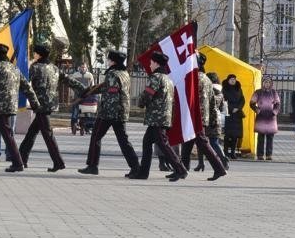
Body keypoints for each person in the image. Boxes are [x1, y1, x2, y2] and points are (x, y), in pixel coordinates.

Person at [18, 43, 84, 172]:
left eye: (35, 53)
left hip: (40, 105)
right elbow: (68, 80)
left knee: (48, 135)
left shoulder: (35, 67)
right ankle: (21, 159)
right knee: (31, 133)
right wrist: (83, 88)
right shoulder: (54, 68)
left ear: (39, 54)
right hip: (50, 104)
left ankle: (58, 162)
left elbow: (25, 83)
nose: (34, 55)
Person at [0, 42, 39, 173]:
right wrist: (35, 103)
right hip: (10, 106)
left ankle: (18, 163)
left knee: (7, 136)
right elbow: (27, 87)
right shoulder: (14, 68)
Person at [78, 49, 140, 176]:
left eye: (109, 59)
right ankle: (135, 167)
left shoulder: (112, 74)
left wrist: (106, 114)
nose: (107, 61)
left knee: (96, 136)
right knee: (123, 141)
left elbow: (112, 94)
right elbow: (104, 87)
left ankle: (92, 166)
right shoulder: (124, 73)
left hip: (109, 113)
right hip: (121, 111)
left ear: (113, 61)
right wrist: (88, 91)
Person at [128, 50, 188, 182]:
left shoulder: (156, 77)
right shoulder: (168, 79)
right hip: (163, 116)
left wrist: (141, 103)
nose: (150, 65)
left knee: (163, 144)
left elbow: (148, 94)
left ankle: (181, 169)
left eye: (151, 62)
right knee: (147, 142)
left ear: (156, 63)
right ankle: (143, 172)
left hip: (157, 117)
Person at [179, 53, 227, 181]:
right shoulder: (206, 79)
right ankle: (182, 169)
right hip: (200, 117)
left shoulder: (193, 78)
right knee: (187, 144)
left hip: (195, 117)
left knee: (203, 144)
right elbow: (212, 102)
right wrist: (212, 119)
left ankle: (219, 168)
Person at [195, 72, 228, 170]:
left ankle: (203, 163)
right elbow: (221, 107)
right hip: (216, 119)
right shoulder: (220, 92)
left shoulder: (209, 90)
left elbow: (207, 104)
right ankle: (222, 160)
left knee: (205, 142)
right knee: (211, 142)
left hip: (208, 118)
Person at [250, 75, 281, 160]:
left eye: (269, 82)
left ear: (271, 83)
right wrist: (257, 110)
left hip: (271, 117)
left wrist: (275, 112)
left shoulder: (274, 92)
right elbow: (252, 103)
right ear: (263, 83)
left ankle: (269, 155)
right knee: (261, 137)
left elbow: (278, 104)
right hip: (261, 116)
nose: (267, 84)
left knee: (270, 137)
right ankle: (260, 155)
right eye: (265, 82)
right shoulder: (258, 92)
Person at [222, 74, 245, 159]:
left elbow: (242, 100)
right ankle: (225, 152)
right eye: (231, 79)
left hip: (237, 114)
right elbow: (223, 101)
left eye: (234, 79)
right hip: (228, 114)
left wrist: (238, 108)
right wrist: (231, 108)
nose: (233, 81)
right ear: (228, 80)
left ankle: (233, 152)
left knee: (235, 135)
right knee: (227, 135)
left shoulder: (238, 88)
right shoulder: (224, 89)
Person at [70, 60, 94, 134]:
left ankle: (87, 128)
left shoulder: (89, 75)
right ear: (79, 67)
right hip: (77, 96)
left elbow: (92, 86)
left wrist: (92, 95)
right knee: (75, 112)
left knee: (87, 112)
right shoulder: (75, 75)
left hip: (86, 96)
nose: (83, 68)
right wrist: (72, 95)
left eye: (84, 67)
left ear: (86, 68)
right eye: (82, 67)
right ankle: (74, 126)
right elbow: (72, 85)